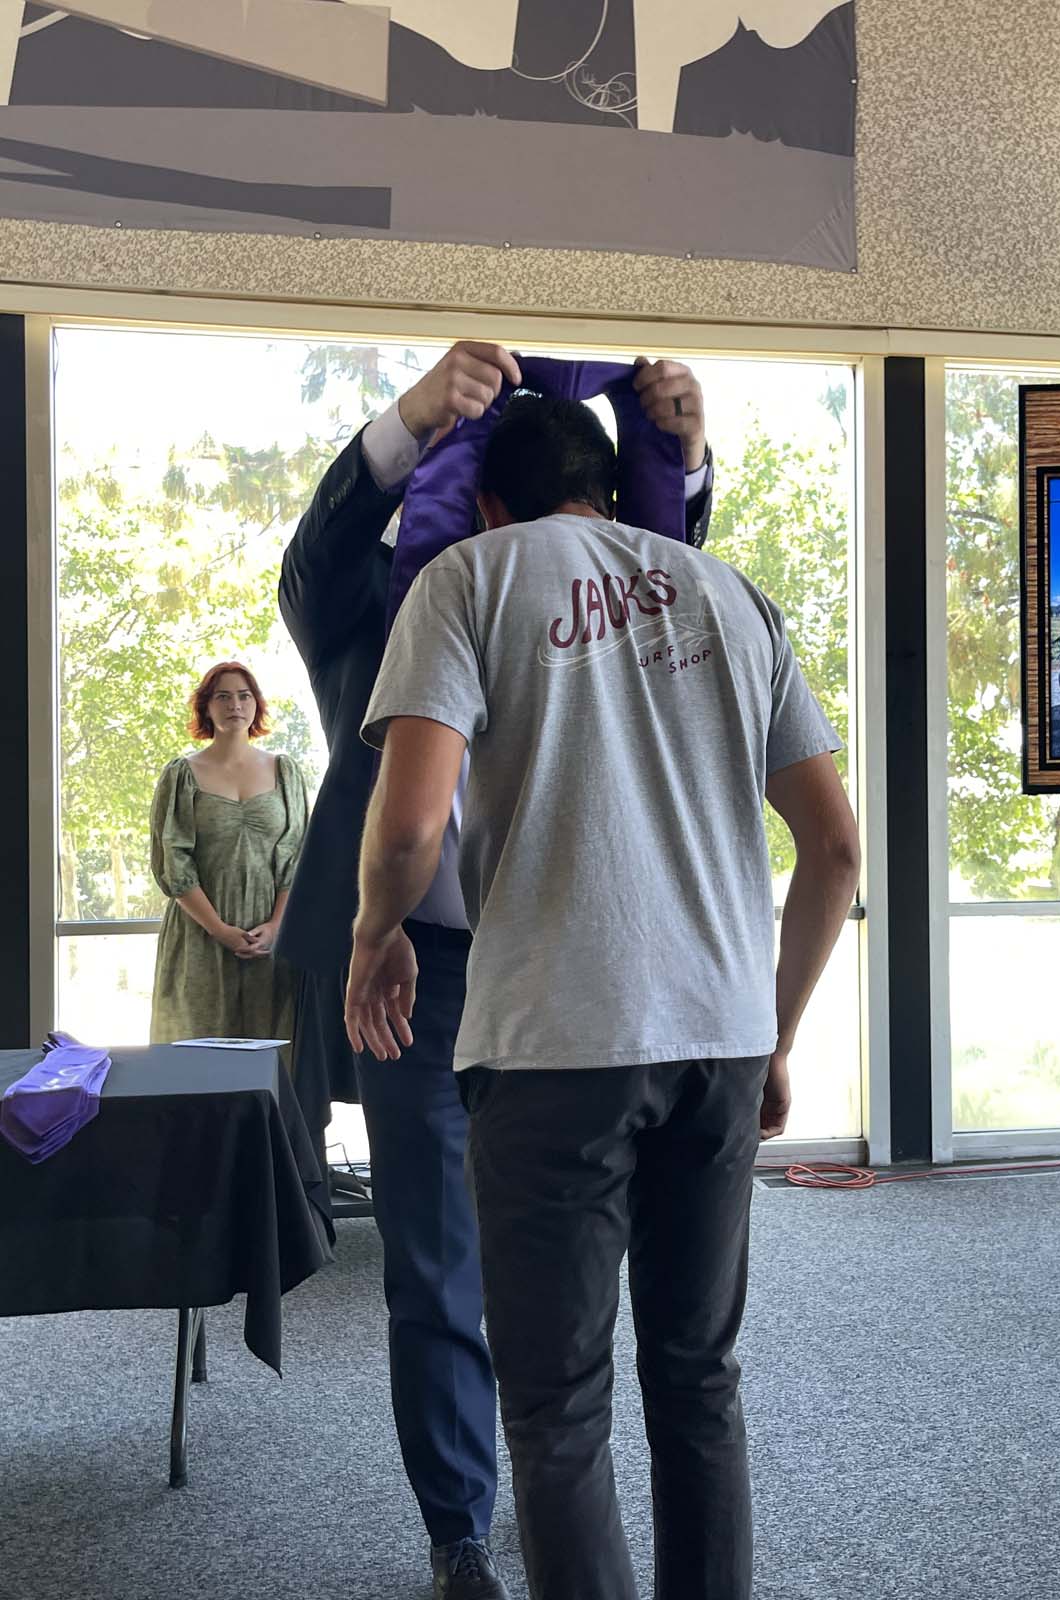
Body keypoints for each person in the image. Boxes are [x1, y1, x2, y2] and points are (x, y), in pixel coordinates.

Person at [346, 394, 861, 1600]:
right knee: (698, 1379)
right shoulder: (730, 594)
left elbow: (410, 826)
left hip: (550, 1043)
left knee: (560, 1407)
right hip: (720, 1038)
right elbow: (837, 849)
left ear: (487, 504)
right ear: (614, 493)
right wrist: (775, 1034)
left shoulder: (468, 578)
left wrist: (375, 933)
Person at [277, 342, 714, 1600]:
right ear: (475, 513)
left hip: (572, 961)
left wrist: (686, 460)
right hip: (413, 973)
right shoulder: (386, 600)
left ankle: (555, 1484)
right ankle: (459, 1526)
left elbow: (674, 583)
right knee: (432, 1262)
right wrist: (408, 420)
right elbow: (309, 568)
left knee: (576, 1257)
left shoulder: (620, 598)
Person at [149, 662, 307, 1047]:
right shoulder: (181, 774)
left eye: (243, 696)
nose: (234, 705)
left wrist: (276, 926)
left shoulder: (285, 771)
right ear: (206, 706)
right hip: (200, 933)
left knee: (273, 1053)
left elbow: (297, 856)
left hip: (271, 939)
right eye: (222, 696)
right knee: (198, 1054)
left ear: (256, 705)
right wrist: (219, 930)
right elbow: (173, 862)